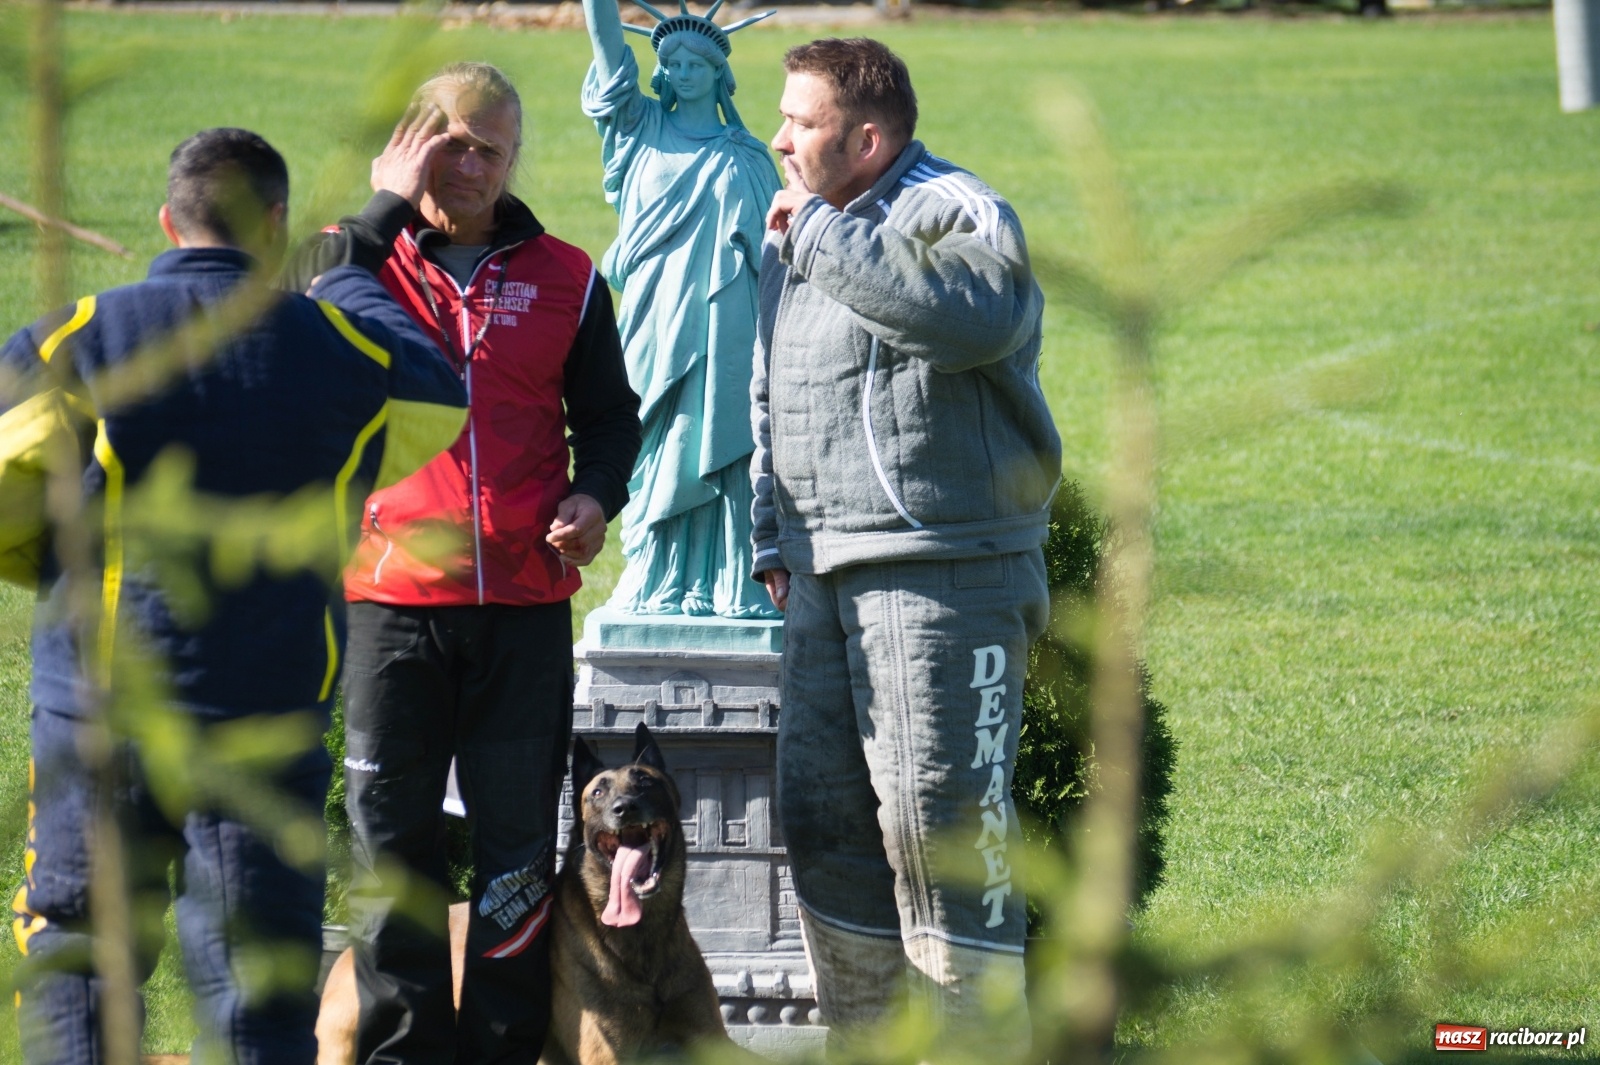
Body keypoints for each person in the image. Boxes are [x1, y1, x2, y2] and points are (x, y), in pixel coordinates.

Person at [0, 127, 468, 1065]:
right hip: (266, 721)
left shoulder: (75, 337)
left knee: (82, 963)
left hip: (100, 713)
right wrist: (344, 260)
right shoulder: (342, 350)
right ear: (275, 225)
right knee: (257, 998)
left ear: (168, 219)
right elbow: (435, 398)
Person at [287, 63, 642, 1065]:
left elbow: (611, 419)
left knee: (518, 847)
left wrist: (596, 495)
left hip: (524, 605)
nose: (476, 163)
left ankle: (499, 1044)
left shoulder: (568, 276)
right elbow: (280, 308)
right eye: (455, 142)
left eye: (495, 146)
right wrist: (384, 204)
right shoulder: (345, 261)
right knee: (387, 842)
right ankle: (402, 1048)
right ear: (411, 145)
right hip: (383, 602)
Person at [751, 38, 1063, 1051]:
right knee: (827, 828)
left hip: (942, 569)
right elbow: (774, 393)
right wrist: (773, 531)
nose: (779, 136)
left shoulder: (955, 209)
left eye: (800, 121)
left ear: (868, 137)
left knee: (941, 836)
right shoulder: (798, 233)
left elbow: (972, 320)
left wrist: (827, 241)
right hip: (822, 568)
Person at [579, 0, 781, 619]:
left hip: (729, 324)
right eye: (672, 61)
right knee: (653, 440)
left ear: (720, 75)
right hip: (653, 318)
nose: (685, 70)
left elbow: (776, 253)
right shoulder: (636, 129)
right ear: (659, 71)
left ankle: (730, 584)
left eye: (698, 62)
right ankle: (653, 577)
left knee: (726, 440)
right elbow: (609, 48)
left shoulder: (745, 154)